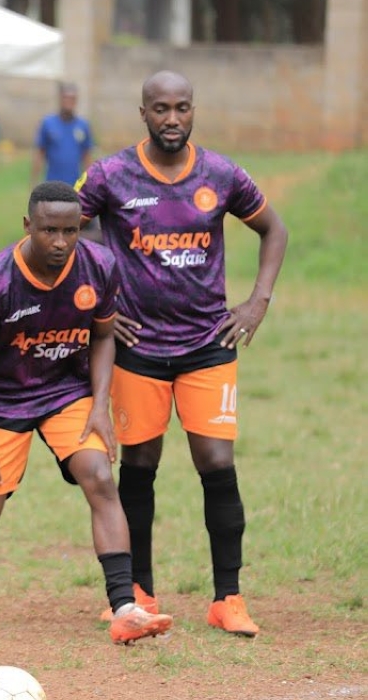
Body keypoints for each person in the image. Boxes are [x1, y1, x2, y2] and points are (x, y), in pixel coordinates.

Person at [0, 181, 174, 645]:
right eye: (49, 230)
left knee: (99, 476)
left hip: (65, 394)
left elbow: (105, 336)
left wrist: (99, 408)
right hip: (1, 402)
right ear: (28, 226)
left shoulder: (100, 266)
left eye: (71, 231)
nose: (60, 242)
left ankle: (124, 607)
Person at [75, 70, 289, 637]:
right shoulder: (110, 174)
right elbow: (66, 225)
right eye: (161, 109)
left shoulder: (220, 173)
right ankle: (139, 591)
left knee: (217, 465)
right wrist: (98, 302)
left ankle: (228, 597)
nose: (173, 118)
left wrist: (257, 302)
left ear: (194, 111)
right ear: (142, 113)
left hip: (207, 345)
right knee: (140, 468)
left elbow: (274, 229)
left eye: (183, 108)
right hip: (137, 347)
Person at [32, 82, 94, 188]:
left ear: (76, 100)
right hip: (51, 185)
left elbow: (87, 156)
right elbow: (39, 154)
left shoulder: (83, 126)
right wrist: (34, 182)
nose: (69, 101)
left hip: (74, 186)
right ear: (60, 99)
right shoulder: (48, 123)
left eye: (72, 98)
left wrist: (91, 183)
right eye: (66, 98)